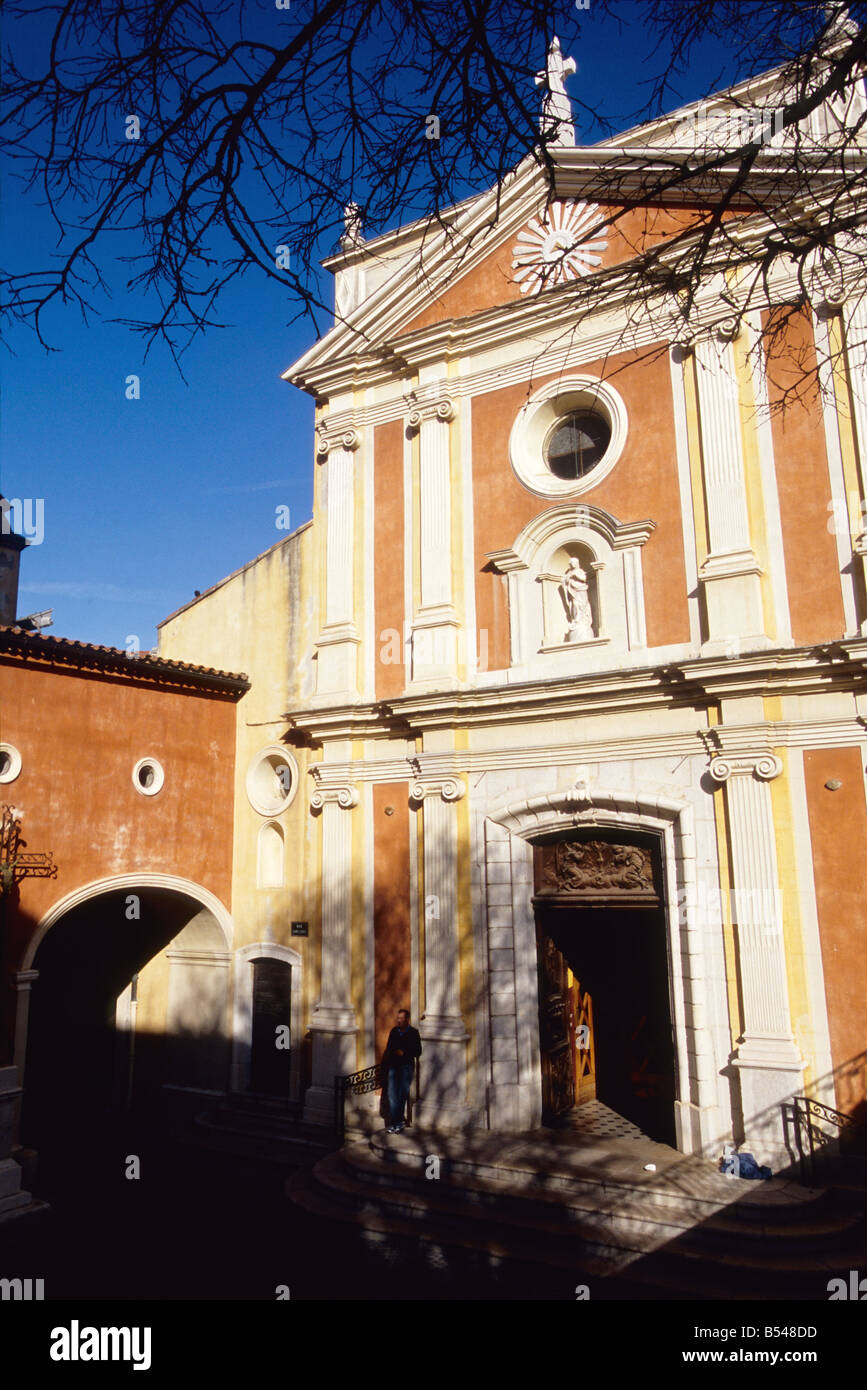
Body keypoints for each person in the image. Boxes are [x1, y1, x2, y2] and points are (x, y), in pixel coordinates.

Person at [381, 1008, 421, 1133]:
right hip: (393, 1067)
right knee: (392, 1094)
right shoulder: (394, 1031)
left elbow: (418, 1051)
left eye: (401, 1018)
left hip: (406, 1067)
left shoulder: (414, 1033)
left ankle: (398, 1123)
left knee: (402, 1095)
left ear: (407, 1019)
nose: (398, 1020)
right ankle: (397, 1122)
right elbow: (388, 1048)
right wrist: (391, 1054)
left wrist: (404, 1053)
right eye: (397, 1018)